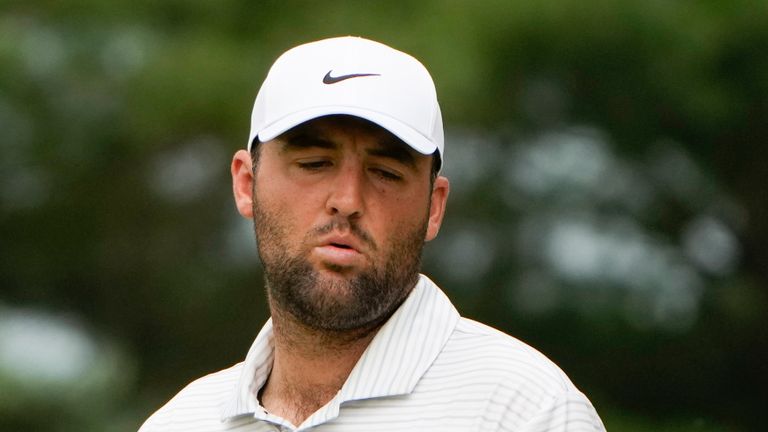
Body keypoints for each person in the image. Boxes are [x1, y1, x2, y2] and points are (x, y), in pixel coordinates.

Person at [139, 36, 605, 432]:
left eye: (384, 172)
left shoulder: (526, 413)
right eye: (314, 164)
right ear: (246, 184)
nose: (348, 199)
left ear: (434, 207)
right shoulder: (182, 422)